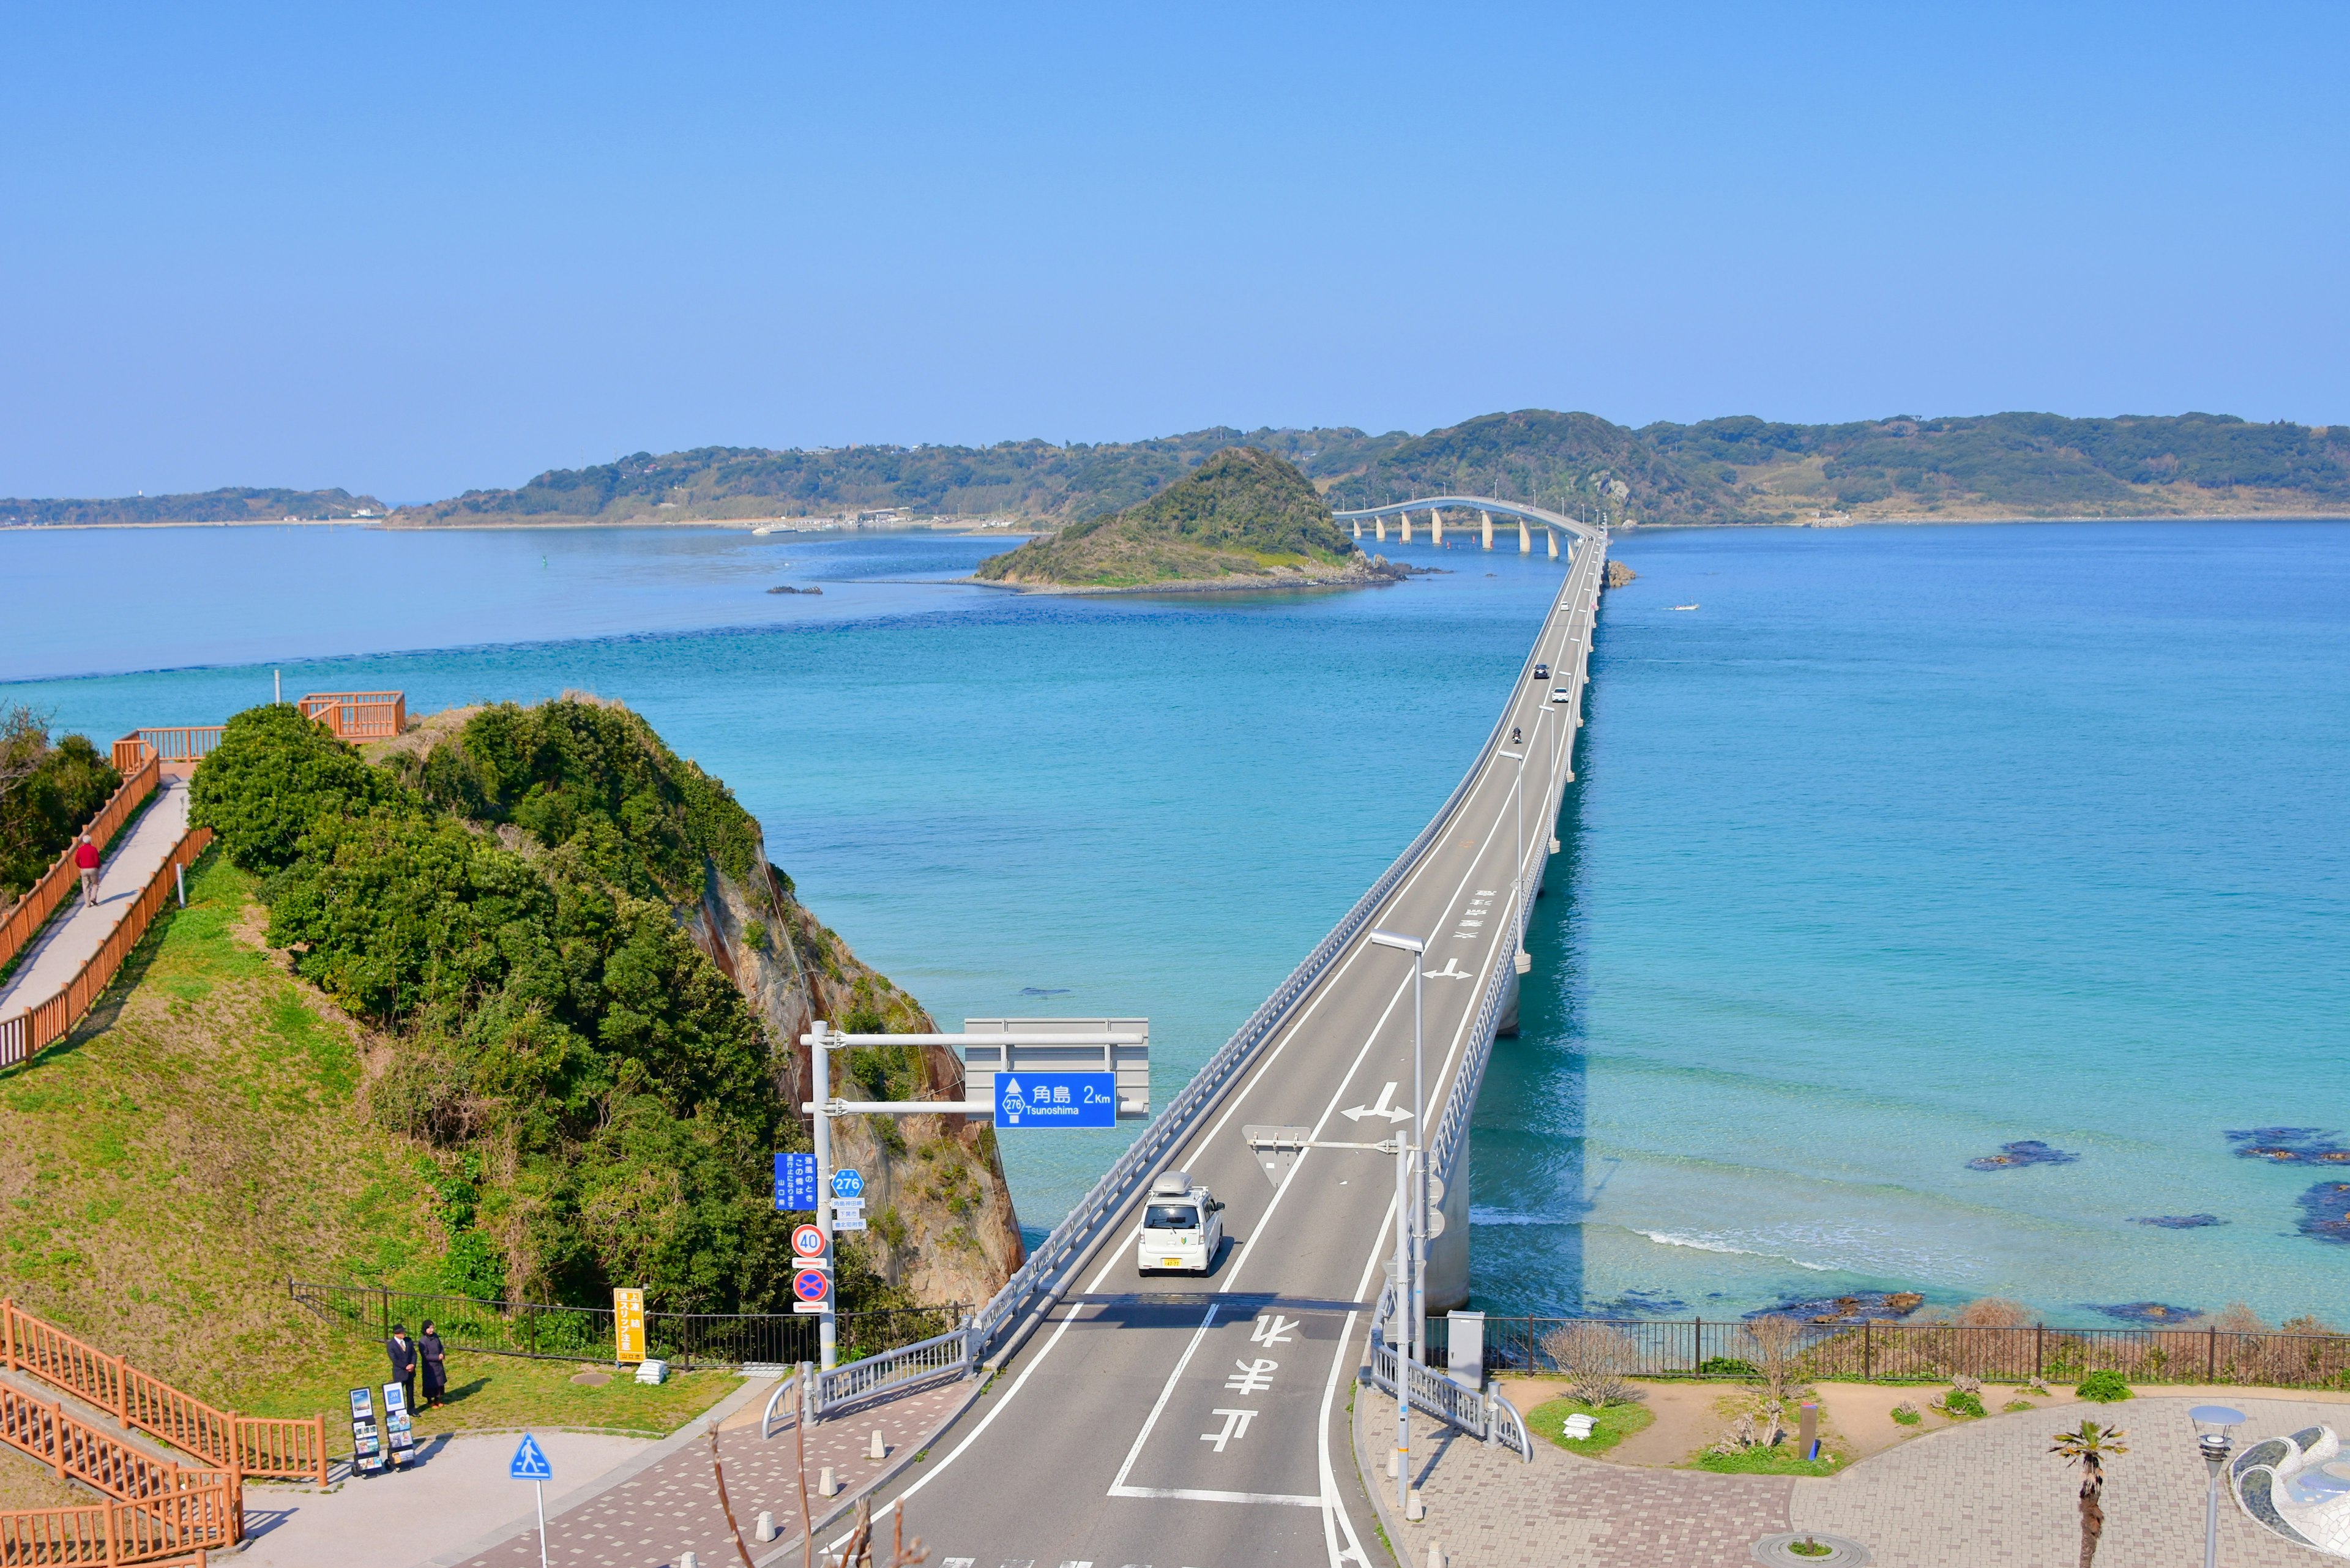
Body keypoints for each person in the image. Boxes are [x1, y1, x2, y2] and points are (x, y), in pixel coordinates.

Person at [386, 1324, 417, 1411]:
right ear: (397, 1334)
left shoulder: (408, 1341)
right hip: (400, 1373)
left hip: (410, 1371)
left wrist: (412, 1365)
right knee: (399, 1392)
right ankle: (400, 1410)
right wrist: (406, 1366)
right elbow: (395, 1360)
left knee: (410, 1391)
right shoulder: (391, 1345)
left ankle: (411, 1409)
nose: (404, 1333)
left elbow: (414, 1354)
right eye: (402, 1332)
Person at [418, 1320, 447, 1408]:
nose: (432, 1330)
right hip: (430, 1366)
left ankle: (438, 1399)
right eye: (430, 1328)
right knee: (430, 1384)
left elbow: (441, 1347)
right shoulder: (423, 1341)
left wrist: (442, 1354)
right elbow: (425, 1355)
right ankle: (430, 1401)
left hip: (438, 1364)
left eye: (433, 1328)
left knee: (439, 1383)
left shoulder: (436, 1337)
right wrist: (437, 1357)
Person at [73, 832, 100, 908]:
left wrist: (81, 866)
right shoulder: (94, 849)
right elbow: (97, 860)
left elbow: (76, 860)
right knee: (95, 884)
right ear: (90, 841)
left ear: (83, 842)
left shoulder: (80, 850)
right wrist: (97, 868)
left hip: (84, 869)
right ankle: (93, 898)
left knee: (86, 887)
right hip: (93, 869)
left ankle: (88, 903)